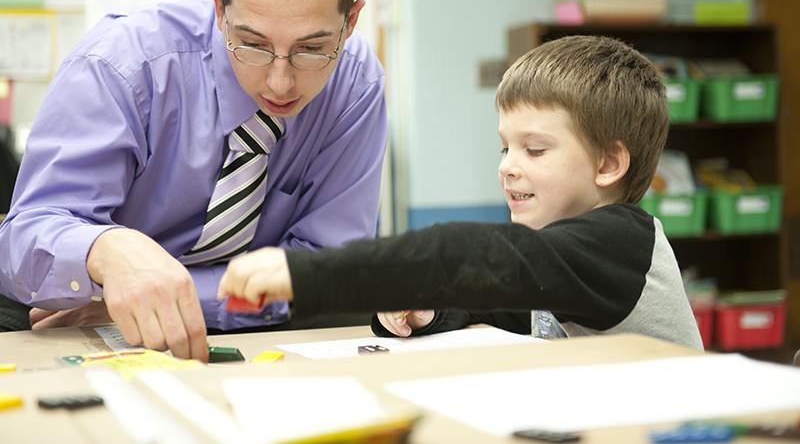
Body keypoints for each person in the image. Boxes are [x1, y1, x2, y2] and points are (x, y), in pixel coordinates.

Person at [0, 0, 387, 360]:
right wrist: (104, 249)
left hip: (209, 319)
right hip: (74, 309)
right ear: (220, 10)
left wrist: (167, 304)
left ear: (351, 21)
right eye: (253, 45)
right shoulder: (121, 68)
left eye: (311, 49)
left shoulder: (356, 83)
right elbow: (24, 239)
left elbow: (325, 268)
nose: (280, 82)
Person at [217, 35, 703, 350]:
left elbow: (473, 258)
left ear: (609, 164)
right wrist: (426, 309)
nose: (507, 167)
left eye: (534, 150)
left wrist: (305, 274)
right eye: (505, 148)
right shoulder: (558, 257)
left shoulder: (619, 239)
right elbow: (489, 302)